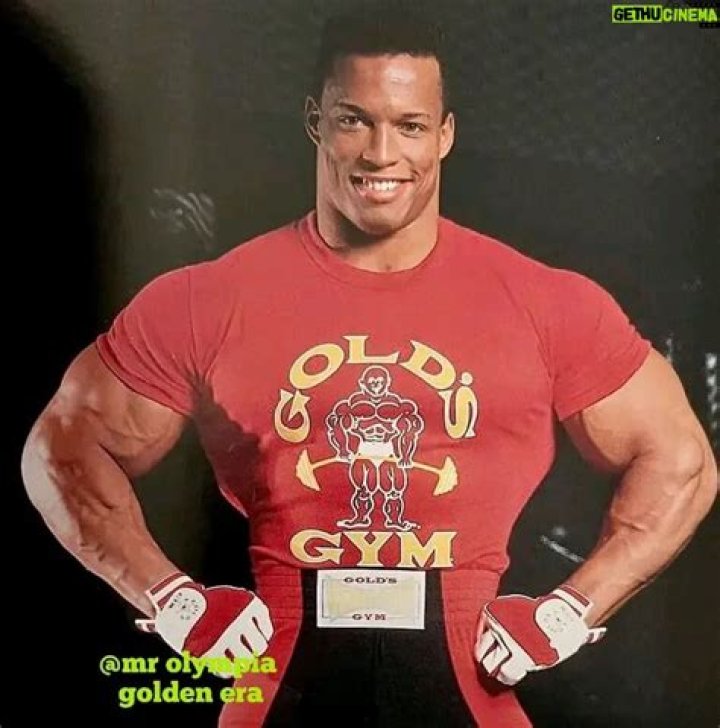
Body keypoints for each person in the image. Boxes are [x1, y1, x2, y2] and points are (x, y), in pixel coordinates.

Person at [20, 4, 717, 727]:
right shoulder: (208, 299)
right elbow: (63, 449)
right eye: (354, 120)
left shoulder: (545, 302)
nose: (382, 153)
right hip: (280, 671)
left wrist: (571, 609)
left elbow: (681, 462)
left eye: (410, 125)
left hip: (470, 674)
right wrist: (172, 599)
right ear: (315, 121)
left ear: (444, 135)